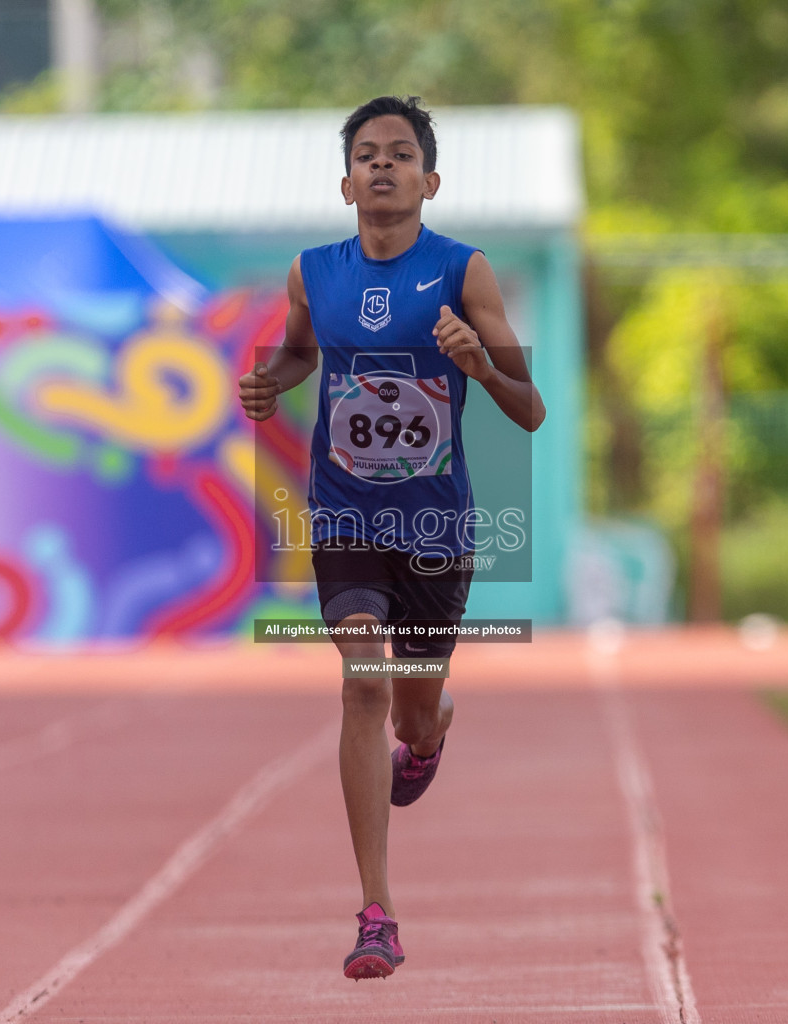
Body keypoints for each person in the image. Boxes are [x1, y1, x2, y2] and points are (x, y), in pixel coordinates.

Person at [237, 95, 545, 980]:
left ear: (429, 180)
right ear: (345, 182)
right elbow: (298, 354)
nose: (382, 166)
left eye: (400, 154)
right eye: (366, 154)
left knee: (411, 705)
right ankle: (378, 914)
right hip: (344, 514)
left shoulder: (465, 274)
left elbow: (530, 412)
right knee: (361, 684)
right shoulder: (312, 274)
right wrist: (271, 383)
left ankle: (434, 728)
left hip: (436, 520)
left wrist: (478, 364)